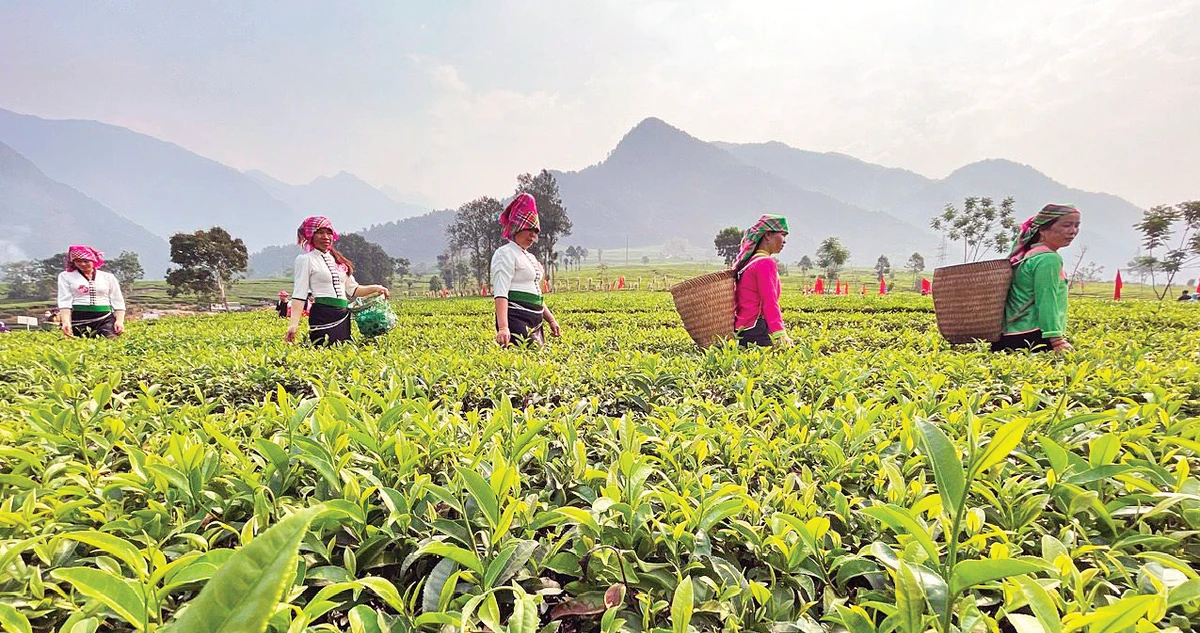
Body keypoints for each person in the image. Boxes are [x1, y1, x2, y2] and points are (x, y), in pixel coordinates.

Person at [285, 216, 389, 345]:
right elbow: (300, 294)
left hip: (343, 315)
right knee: (323, 351)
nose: (326, 237)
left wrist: (376, 288)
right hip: (323, 314)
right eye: (320, 232)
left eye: (329, 232)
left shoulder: (338, 261)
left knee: (342, 350)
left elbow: (354, 289)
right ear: (310, 235)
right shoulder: (306, 259)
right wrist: (293, 324)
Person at [992, 204, 1081, 353]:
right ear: (1043, 230)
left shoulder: (1027, 256)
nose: (1073, 231)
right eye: (1066, 225)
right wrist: (1057, 340)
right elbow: (1047, 300)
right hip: (1032, 337)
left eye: (1076, 225)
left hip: (1009, 335)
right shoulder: (1048, 259)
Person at [491, 193, 561, 347]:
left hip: (535, 320)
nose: (532, 235)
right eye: (529, 229)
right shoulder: (505, 253)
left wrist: (551, 319)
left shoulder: (530, 257)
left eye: (535, 231)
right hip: (516, 318)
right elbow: (501, 292)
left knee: (537, 362)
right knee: (522, 362)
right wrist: (503, 327)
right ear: (517, 227)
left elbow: (535, 295)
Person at [732, 214, 793, 347]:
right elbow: (769, 300)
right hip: (757, 329)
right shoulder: (765, 263)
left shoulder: (749, 263)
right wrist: (780, 333)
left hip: (743, 328)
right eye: (782, 234)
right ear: (768, 235)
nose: (784, 241)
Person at [56, 245, 126, 338]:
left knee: (110, 341)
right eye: (78, 261)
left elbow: (118, 301)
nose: (82, 264)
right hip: (79, 318)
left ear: (94, 260)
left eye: (86, 261)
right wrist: (66, 322)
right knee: (80, 345)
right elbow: (64, 301)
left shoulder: (108, 277)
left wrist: (119, 321)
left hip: (105, 318)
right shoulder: (65, 276)